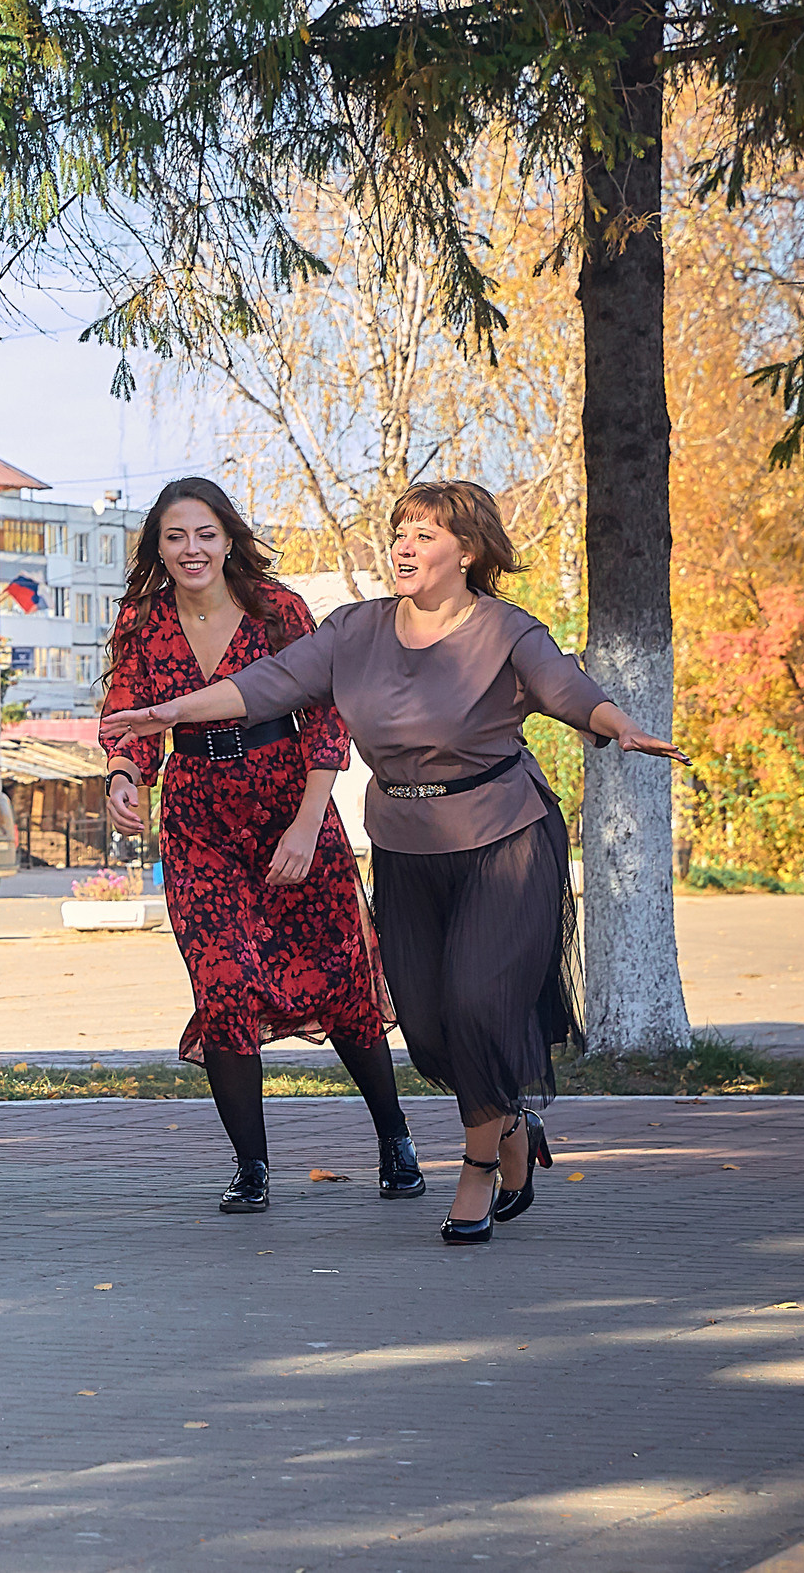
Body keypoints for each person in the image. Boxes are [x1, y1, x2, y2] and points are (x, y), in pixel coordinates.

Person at [101, 481, 686, 1245]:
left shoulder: (501, 629)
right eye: (401, 531)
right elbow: (263, 686)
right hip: (378, 840)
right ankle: (499, 1119)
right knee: (423, 1026)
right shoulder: (355, 630)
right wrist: (161, 723)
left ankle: (469, 1166)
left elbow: (564, 687)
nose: (405, 545)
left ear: (467, 551)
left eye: (425, 534)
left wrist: (620, 725)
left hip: (492, 833)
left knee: (452, 1000)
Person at [99, 478, 421, 1215]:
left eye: (205, 534)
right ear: (157, 545)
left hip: (291, 810)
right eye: (175, 536)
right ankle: (251, 1166)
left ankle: (395, 1136)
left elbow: (327, 718)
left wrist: (309, 824)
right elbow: (128, 718)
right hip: (198, 826)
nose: (191, 549)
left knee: (339, 983)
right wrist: (125, 778)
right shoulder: (142, 622)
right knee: (222, 987)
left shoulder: (279, 610)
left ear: (228, 538)